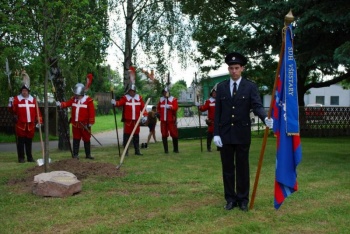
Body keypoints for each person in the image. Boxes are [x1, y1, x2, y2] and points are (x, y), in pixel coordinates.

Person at [213, 52, 273, 212]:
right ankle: (230, 199)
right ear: (228, 69)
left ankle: (243, 199)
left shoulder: (250, 86)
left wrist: (265, 118)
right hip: (225, 134)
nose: (234, 71)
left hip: (242, 134)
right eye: (231, 68)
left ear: (242, 68)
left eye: (236, 68)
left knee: (242, 168)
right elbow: (217, 111)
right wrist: (216, 133)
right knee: (227, 169)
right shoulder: (222, 87)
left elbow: (257, 105)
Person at [56, 83, 95, 159]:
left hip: (85, 125)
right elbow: (67, 103)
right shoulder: (73, 100)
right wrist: (61, 104)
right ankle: (75, 154)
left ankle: (88, 155)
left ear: (81, 94)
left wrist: (90, 122)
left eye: (77, 94)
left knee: (86, 139)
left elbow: (92, 112)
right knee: (76, 139)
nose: (76, 96)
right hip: (75, 124)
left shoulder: (88, 101)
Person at [8, 84, 43, 163]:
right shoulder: (16, 99)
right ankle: (21, 158)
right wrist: (10, 103)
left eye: (26, 91)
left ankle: (29, 157)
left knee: (29, 142)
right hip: (21, 125)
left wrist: (39, 121)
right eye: (23, 91)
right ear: (21, 91)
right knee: (20, 142)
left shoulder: (33, 100)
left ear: (28, 91)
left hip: (30, 125)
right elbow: (12, 111)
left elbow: (37, 112)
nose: (24, 92)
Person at [111, 84, 146, 156]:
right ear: (128, 91)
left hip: (136, 120)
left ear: (135, 91)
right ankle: (126, 151)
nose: (131, 92)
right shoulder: (125, 98)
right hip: (128, 121)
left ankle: (137, 151)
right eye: (130, 91)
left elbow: (143, 108)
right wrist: (115, 102)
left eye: (132, 91)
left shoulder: (139, 98)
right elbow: (119, 103)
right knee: (127, 136)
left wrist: (145, 115)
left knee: (136, 136)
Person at [157, 87, 179, 154]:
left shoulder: (173, 99)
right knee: (164, 134)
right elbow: (158, 108)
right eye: (164, 92)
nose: (165, 94)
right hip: (163, 120)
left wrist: (170, 107)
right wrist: (159, 114)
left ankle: (175, 149)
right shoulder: (161, 100)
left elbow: (176, 107)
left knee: (174, 134)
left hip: (171, 120)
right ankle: (166, 150)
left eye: (166, 92)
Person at [196, 84, 217, 152]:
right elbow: (203, 108)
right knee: (210, 134)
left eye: (215, 93)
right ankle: (208, 147)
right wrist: (199, 106)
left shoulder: (220, 100)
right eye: (213, 93)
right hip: (211, 121)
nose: (214, 94)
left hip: (219, 120)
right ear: (211, 94)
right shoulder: (209, 101)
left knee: (219, 134)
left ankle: (219, 147)